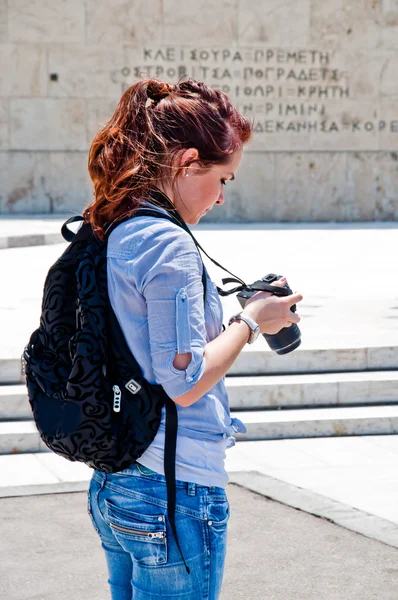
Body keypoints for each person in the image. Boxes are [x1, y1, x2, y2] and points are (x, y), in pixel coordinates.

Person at [83, 78, 303, 600]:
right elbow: (184, 381)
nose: (223, 197)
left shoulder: (119, 223)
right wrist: (250, 322)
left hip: (117, 479)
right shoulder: (168, 243)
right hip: (171, 488)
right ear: (186, 163)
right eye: (223, 178)